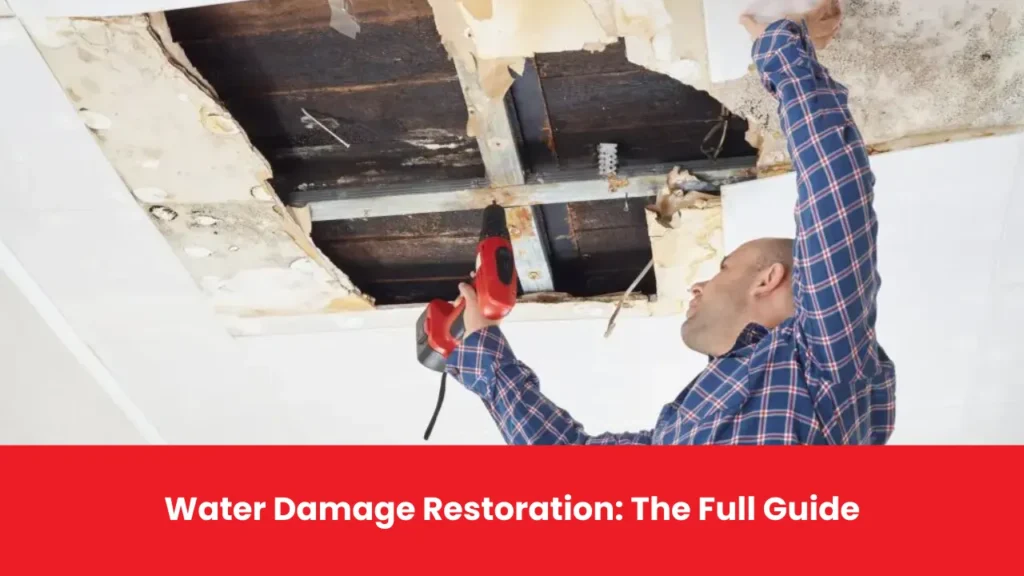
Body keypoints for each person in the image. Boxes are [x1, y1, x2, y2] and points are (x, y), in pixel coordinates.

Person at [443, 1, 896, 445]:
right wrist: (782, 48)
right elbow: (834, 192)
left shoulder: (678, 437)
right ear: (768, 279)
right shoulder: (824, 361)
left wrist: (484, 352)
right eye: (723, 268)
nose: (697, 286)